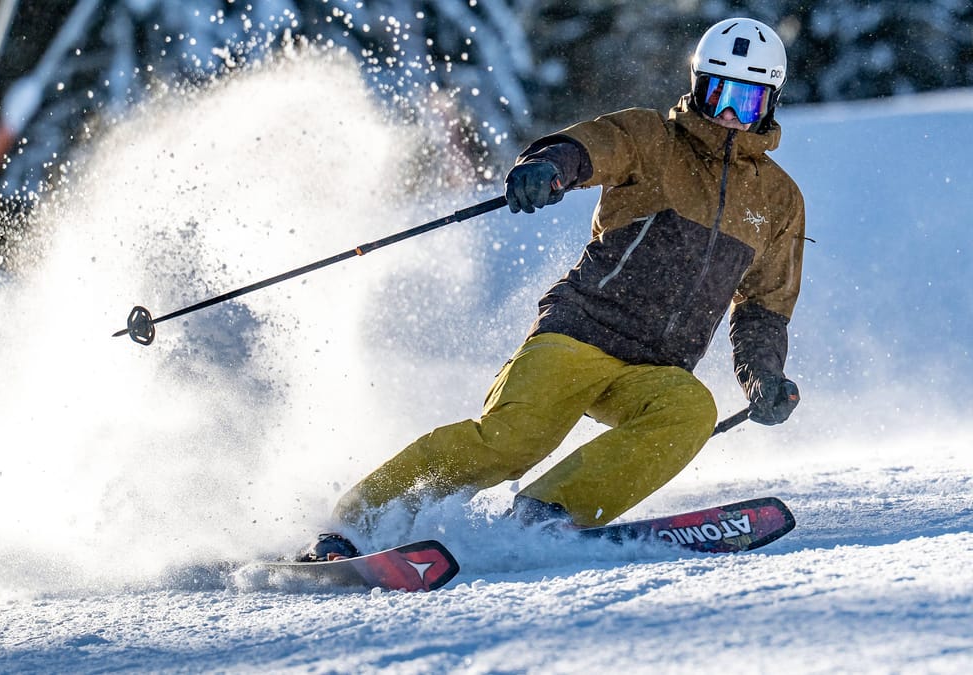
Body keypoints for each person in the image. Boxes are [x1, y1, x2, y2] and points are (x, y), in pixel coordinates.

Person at [300, 17, 805, 561]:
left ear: (769, 104)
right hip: (580, 333)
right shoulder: (650, 138)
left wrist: (764, 376)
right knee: (514, 440)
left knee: (690, 410)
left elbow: (763, 306)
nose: (728, 114)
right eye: (718, 92)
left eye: (746, 101)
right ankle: (354, 526)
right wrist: (547, 167)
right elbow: (588, 147)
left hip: (657, 367)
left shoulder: (777, 199)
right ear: (696, 85)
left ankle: (547, 512)